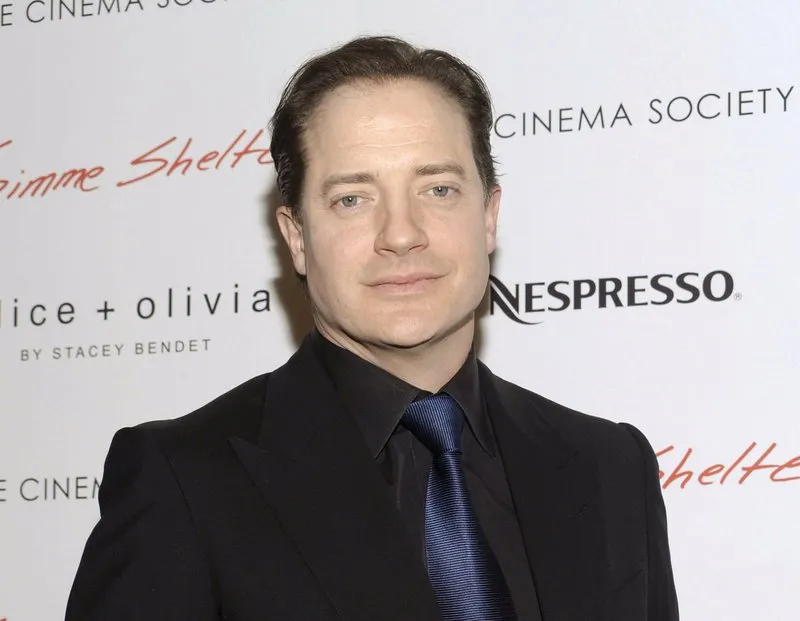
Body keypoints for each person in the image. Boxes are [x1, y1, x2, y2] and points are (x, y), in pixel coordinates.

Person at [65, 36, 679, 621]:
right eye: (352, 199)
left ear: (489, 216)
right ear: (297, 238)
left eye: (438, 189)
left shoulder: (609, 467)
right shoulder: (185, 480)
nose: (401, 234)